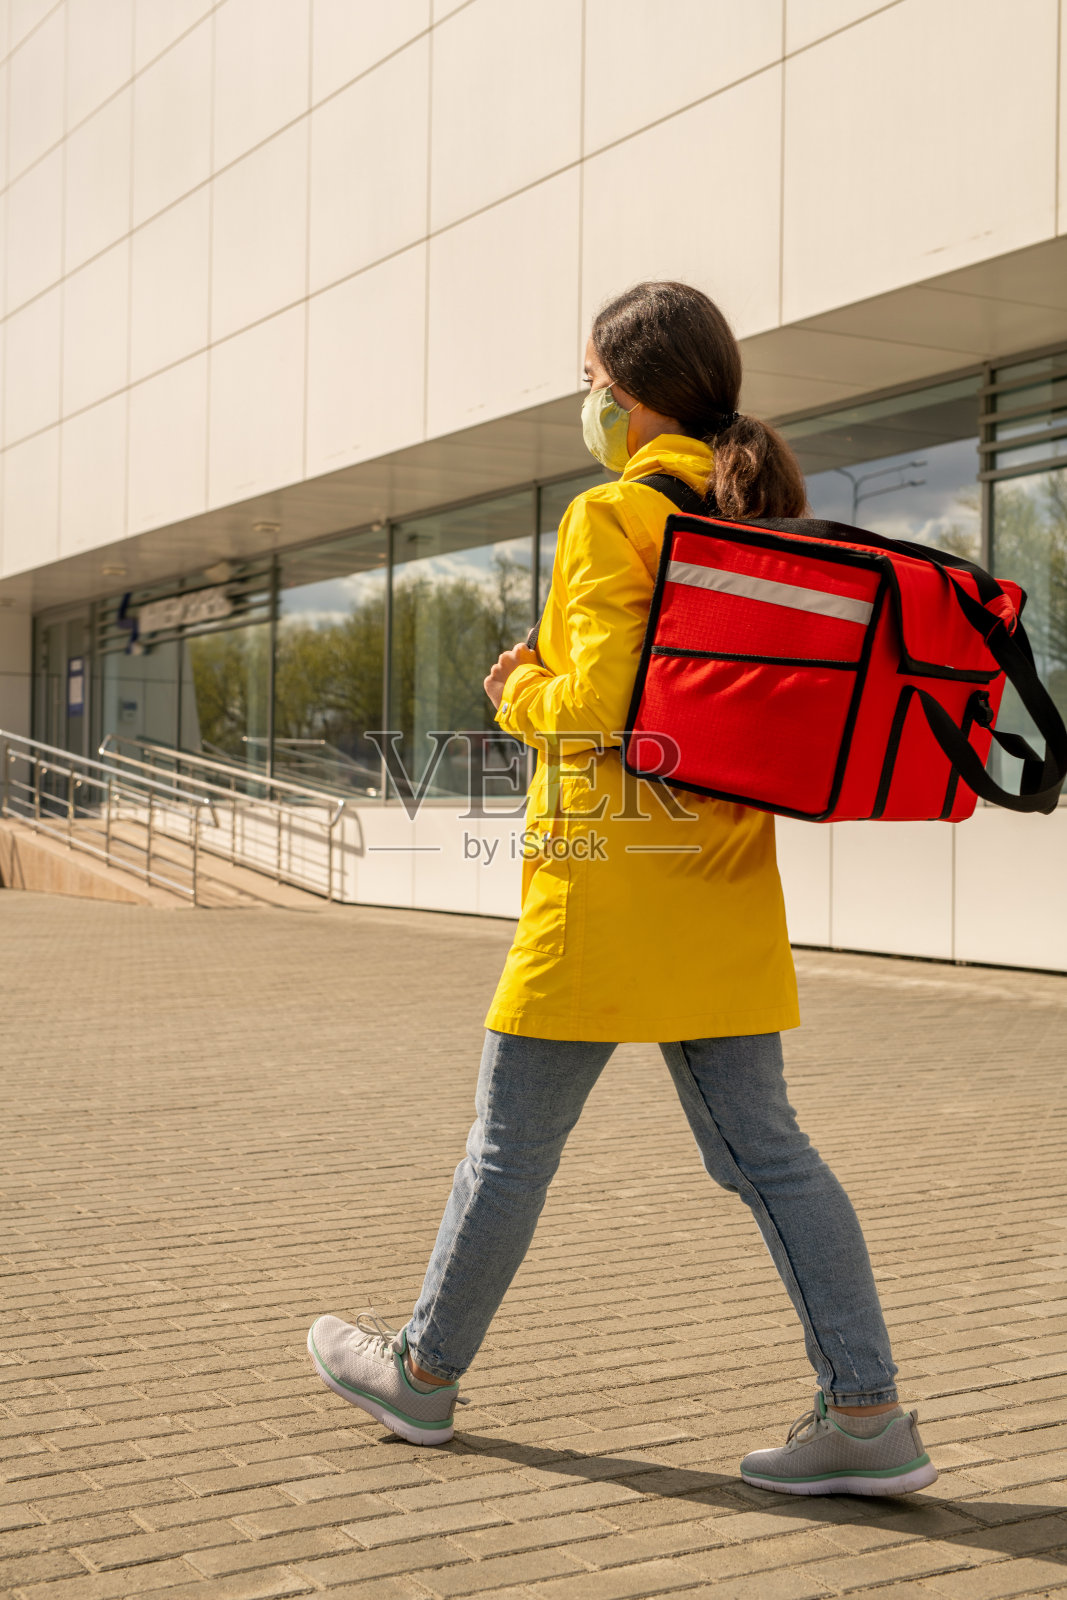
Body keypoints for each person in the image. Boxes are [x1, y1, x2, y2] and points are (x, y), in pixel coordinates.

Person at [307, 282, 937, 1497]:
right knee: (771, 1155)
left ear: (633, 395)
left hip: (602, 889)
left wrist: (516, 688)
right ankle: (865, 1413)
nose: (584, 398)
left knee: (505, 1149)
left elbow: (597, 712)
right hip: (718, 882)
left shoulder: (614, 513)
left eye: (590, 377)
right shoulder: (757, 512)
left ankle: (421, 1377)